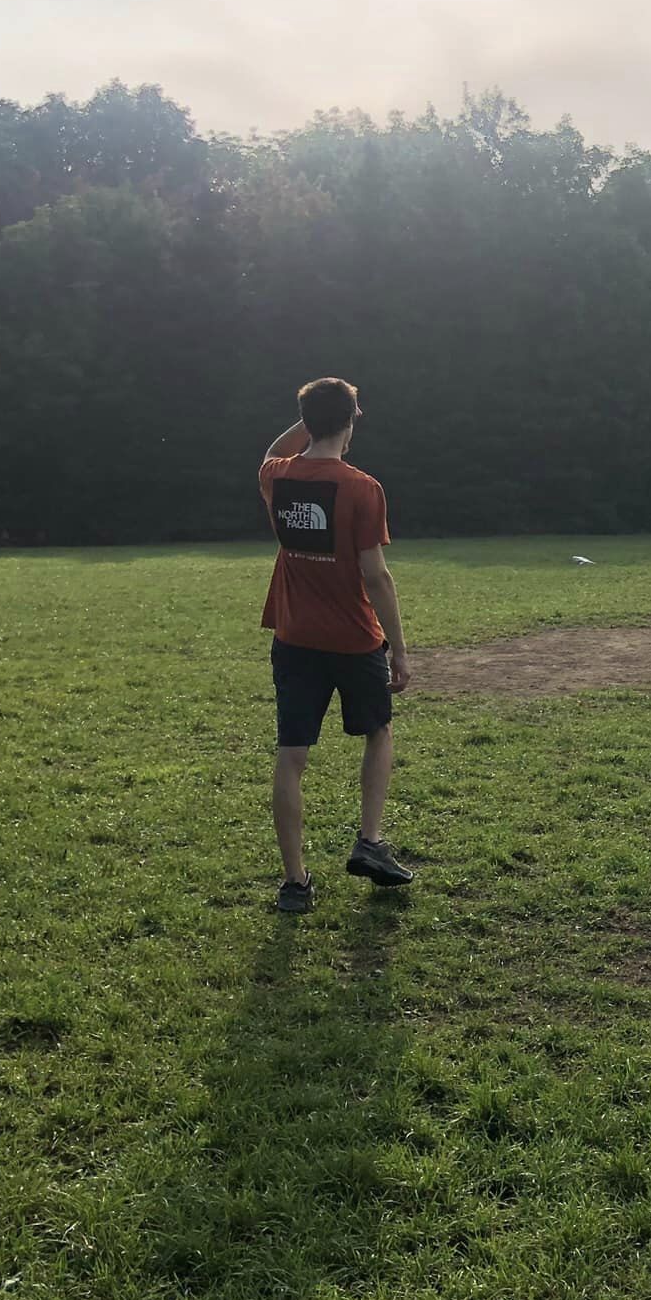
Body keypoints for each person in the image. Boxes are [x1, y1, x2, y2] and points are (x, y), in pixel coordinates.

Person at [260, 377, 415, 913]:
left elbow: (272, 451)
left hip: (294, 637)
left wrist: (312, 417)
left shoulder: (277, 476)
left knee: (292, 755)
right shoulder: (362, 487)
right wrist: (399, 650)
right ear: (350, 422)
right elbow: (376, 575)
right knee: (378, 730)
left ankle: (295, 883)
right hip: (354, 639)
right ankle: (369, 841)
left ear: (307, 422)